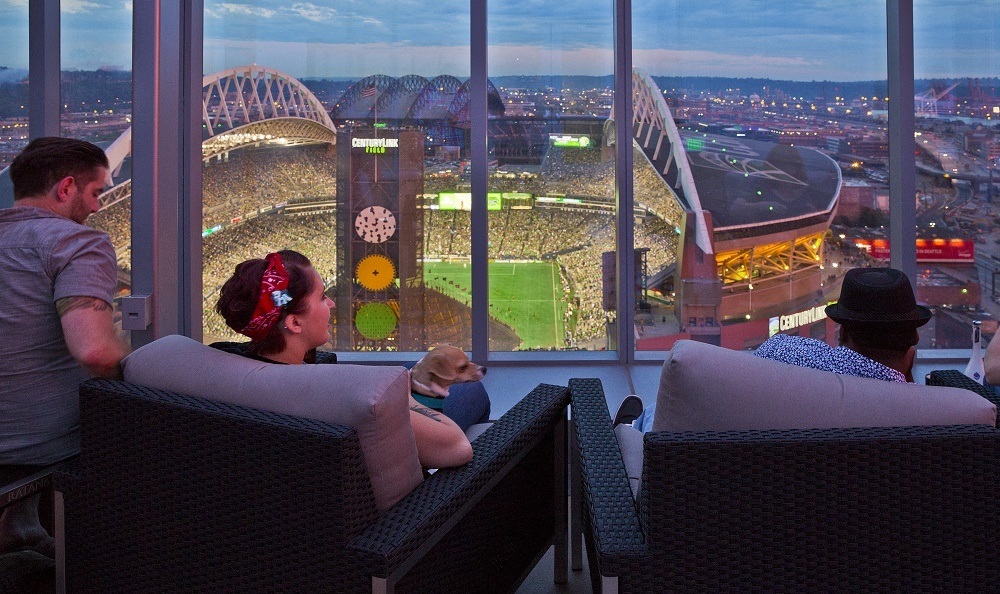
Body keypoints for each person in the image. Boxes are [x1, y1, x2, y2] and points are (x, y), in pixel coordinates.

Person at [214, 250, 478, 469]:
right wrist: (403, 397)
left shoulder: (222, 365)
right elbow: (457, 447)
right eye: (322, 297)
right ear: (294, 322)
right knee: (472, 389)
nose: (331, 304)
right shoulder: (340, 393)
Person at [0, 137, 129, 557]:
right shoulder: (78, 243)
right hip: (41, 449)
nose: (96, 208)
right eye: (95, 193)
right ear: (67, 188)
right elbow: (95, 352)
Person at [623, 267, 930, 432]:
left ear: (841, 332)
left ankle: (626, 427)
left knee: (645, 421)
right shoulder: (931, 413)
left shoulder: (784, 352)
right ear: (912, 343)